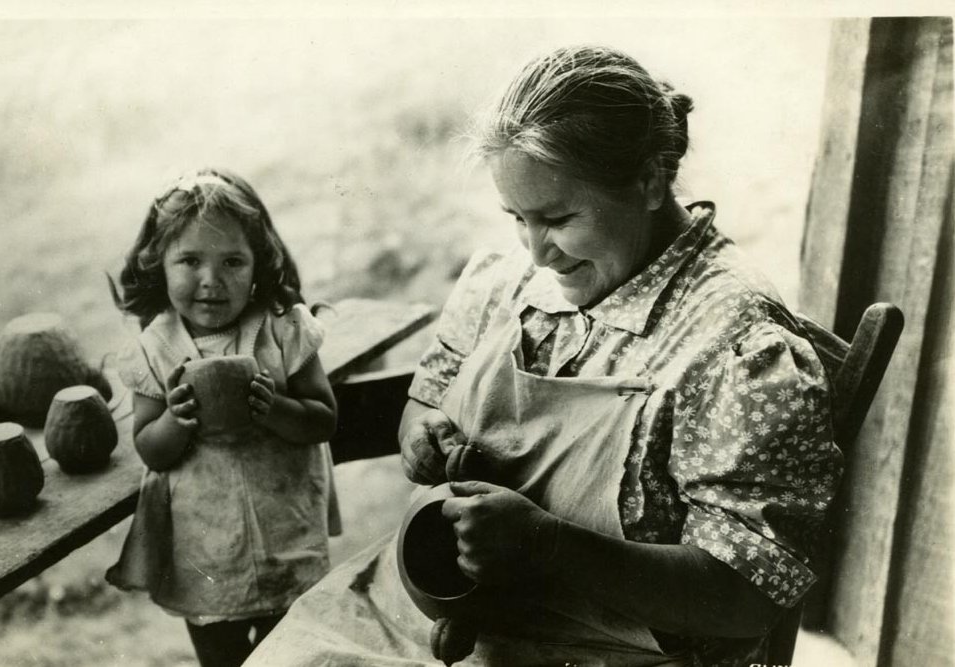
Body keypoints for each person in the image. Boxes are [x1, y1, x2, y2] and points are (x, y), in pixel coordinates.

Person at [247, 45, 843, 667]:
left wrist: (549, 545)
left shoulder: (736, 347)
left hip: (604, 645)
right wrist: (424, 436)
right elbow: (423, 403)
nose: (535, 252)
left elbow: (746, 595)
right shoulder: (502, 281)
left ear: (650, 181)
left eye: (557, 218)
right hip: (443, 611)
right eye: (517, 217)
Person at [104, 168, 338, 667]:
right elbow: (150, 448)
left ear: (259, 264)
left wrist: (274, 407)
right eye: (190, 260)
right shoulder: (154, 349)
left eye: (232, 261)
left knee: (297, 655)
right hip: (206, 553)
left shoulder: (282, 330)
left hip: (285, 537)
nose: (211, 281)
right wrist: (175, 419)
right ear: (158, 266)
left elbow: (322, 419)